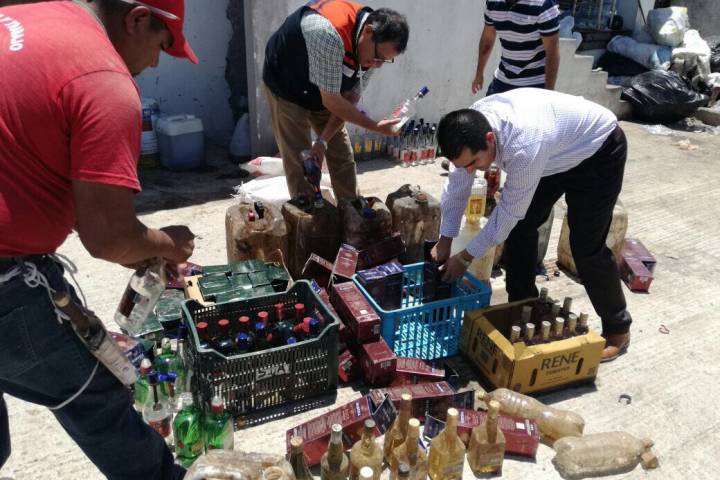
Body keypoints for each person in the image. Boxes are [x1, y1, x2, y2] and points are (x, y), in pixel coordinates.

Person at [0, 1, 197, 478]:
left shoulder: (34, 15)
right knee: (98, 401)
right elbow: (108, 238)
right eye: (161, 44)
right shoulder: (103, 79)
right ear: (136, 18)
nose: (155, 62)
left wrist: (133, 246)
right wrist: (166, 243)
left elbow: (25, 148)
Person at [432, 88, 632, 362]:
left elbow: (508, 213)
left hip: (598, 150)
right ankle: (523, 304)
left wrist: (466, 257)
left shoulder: (524, 146)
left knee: (586, 246)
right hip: (553, 155)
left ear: (489, 139)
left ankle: (618, 328)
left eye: (474, 163)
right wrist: (445, 240)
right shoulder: (467, 130)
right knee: (522, 230)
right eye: (463, 165)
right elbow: (457, 189)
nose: (471, 170)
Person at [263, 0, 409, 201]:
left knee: (341, 154)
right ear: (368, 31)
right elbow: (332, 101)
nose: (377, 65)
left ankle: (352, 209)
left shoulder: (371, 51)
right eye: (378, 57)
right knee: (300, 160)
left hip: (328, 90)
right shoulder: (326, 33)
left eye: (385, 61)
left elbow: (348, 100)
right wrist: (374, 126)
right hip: (287, 84)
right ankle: (308, 213)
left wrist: (322, 141)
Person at [472, 0, 560, 96]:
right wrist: (479, 74)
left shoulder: (544, 5)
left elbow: (552, 51)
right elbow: (487, 39)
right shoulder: (493, 3)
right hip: (502, 80)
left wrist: (548, 94)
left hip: (534, 84)